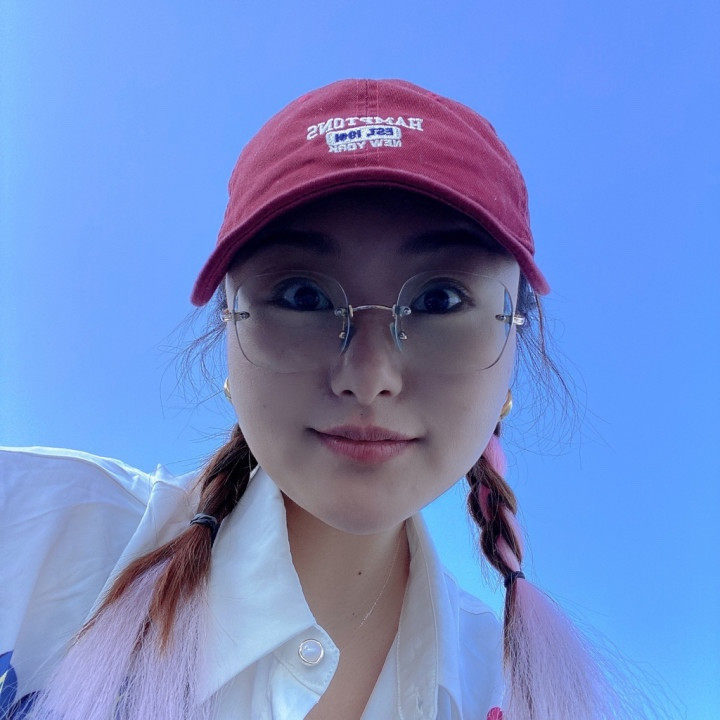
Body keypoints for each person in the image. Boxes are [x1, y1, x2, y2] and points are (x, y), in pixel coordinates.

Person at [0, 79, 654, 720]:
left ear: (514, 345)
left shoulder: (515, 692)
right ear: (228, 330)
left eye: (440, 300)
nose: (368, 378)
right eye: (302, 296)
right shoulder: (29, 535)